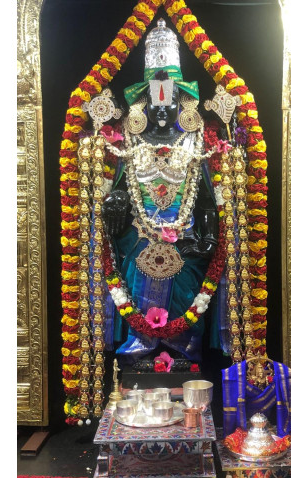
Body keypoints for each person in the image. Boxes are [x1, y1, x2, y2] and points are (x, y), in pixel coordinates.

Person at [100, 19, 219, 365]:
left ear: (183, 100)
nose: (163, 107)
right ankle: (140, 348)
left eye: (170, 97)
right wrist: (115, 201)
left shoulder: (197, 140)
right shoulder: (128, 140)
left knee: (186, 291)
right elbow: (116, 189)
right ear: (143, 103)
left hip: (185, 238)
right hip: (138, 238)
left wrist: (210, 235)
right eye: (156, 98)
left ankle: (183, 350)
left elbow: (207, 199)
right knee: (137, 285)